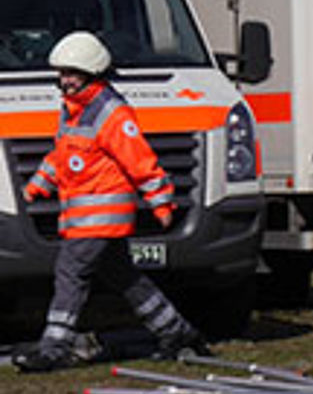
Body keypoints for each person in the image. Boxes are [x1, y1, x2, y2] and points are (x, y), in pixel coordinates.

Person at [13, 32, 211, 371]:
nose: (64, 81)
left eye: (70, 74)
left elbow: (140, 160)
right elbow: (62, 155)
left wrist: (162, 202)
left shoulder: (110, 113)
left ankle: (55, 345)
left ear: (91, 73)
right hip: (88, 218)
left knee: (70, 272)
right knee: (125, 277)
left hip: (100, 218)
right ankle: (176, 332)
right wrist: (38, 185)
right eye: (61, 74)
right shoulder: (75, 111)